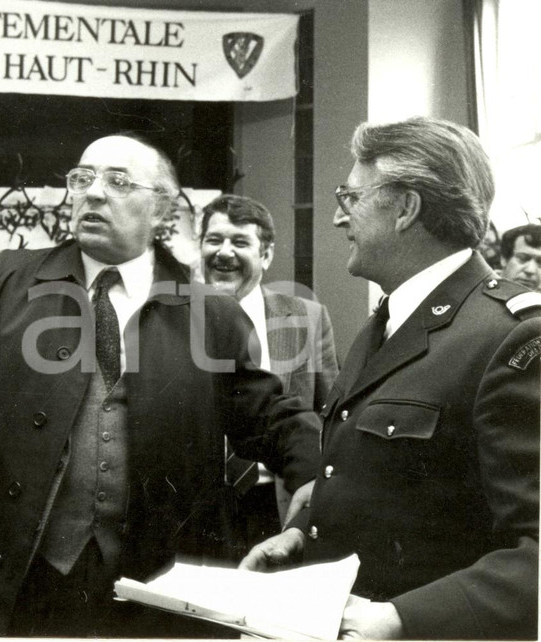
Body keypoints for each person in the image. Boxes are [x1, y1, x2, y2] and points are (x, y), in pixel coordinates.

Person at [0, 134, 321, 637]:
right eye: (82, 178)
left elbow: (270, 416)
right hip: (19, 576)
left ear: (161, 209)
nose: (94, 192)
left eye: (118, 181)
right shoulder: (7, 280)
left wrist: (315, 474)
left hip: (151, 590)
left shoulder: (211, 315)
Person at [240, 116, 540, 640]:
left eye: (351, 197)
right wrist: (301, 534)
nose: (339, 216)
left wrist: (403, 619)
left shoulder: (512, 337)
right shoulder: (391, 319)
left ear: (406, 208)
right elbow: (380, 480)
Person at [200, 194, 338, 552]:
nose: (224, 252)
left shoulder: (307, 317)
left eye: (240, 242)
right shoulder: (173, 317)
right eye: (214, 240)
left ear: (266, 255)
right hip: (200, 508)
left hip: (277, 504)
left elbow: (331, 417)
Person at [498, 221, 541, 291]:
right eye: (523, 259)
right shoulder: (479, 289)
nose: (530, 270)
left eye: (540, 263)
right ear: (504, 259)